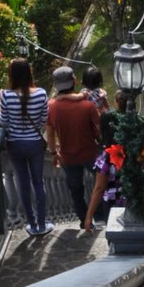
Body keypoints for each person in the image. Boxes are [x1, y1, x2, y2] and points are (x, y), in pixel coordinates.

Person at [0, 58, 52, 235]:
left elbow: (4, 122)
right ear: (29, 72)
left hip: (15, 144)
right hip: (35, 143)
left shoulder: (6, 96)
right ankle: (42, 224)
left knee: (23, 184)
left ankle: (32, 224)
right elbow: (44, 120)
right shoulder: (42, 93)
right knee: (38, 183)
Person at [46, 66, 101, 226]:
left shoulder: (52, 107)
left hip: (68, 157)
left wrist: (53, 153)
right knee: (101, 184)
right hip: (91, 153)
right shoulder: (88, 106)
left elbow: (50, 133)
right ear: (74, 81)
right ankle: (101, 215)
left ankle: (84, 221)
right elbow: (98, 131)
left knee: (76, 190)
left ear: (56, 85)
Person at [83, 90, 128, 231]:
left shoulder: (105, 157)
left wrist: (89, 216)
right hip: (132, 201)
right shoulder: (133, 149)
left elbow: (99, 188)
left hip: (113, 205)